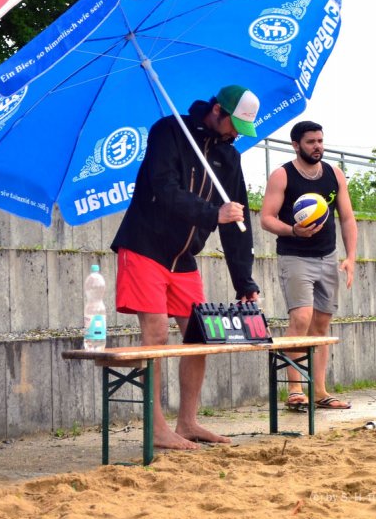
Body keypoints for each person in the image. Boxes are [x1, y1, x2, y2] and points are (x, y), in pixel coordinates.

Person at [110, 85, 262, 450]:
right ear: (216, 110)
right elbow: (164, 189)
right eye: (233, 126)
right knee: (157, 334)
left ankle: (188, 422)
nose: (235, 135)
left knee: (200, 335)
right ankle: (157, 427)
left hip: (184, 259)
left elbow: (237, 222)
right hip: (145, 246)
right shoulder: (168, 131)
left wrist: (244, 280)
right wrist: (213, 213)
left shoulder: (230, 158)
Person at [259, 120, 358, 411]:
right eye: (311, 141)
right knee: (301, 318)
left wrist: (350, 257)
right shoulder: (282, 175)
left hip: (327, 256)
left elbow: (348, 218)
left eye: (320, 141)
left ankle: (320, 391)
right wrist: (293, 230)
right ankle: (294, 390)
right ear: (296, 145)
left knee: (321, 324)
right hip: (295, 255)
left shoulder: (334, 174)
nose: (318, 146)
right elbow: (266, 218)